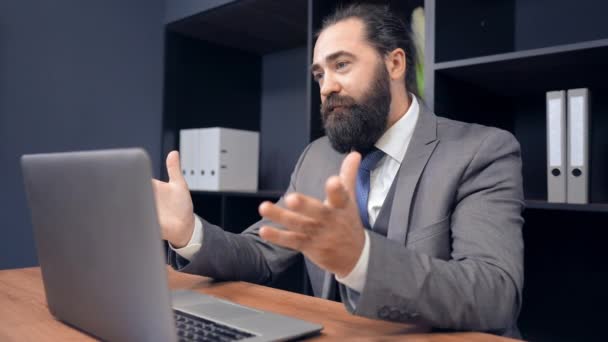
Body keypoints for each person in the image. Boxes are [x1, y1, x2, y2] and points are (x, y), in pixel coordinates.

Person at [153, 4, 524, 338]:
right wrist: (190, 233)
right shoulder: (317, 156)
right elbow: (262, 254)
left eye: (341, 65)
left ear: (395, 64)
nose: (327, 86)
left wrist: (361, 260)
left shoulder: (481, 151)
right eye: (319, 74)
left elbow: (496, 293)